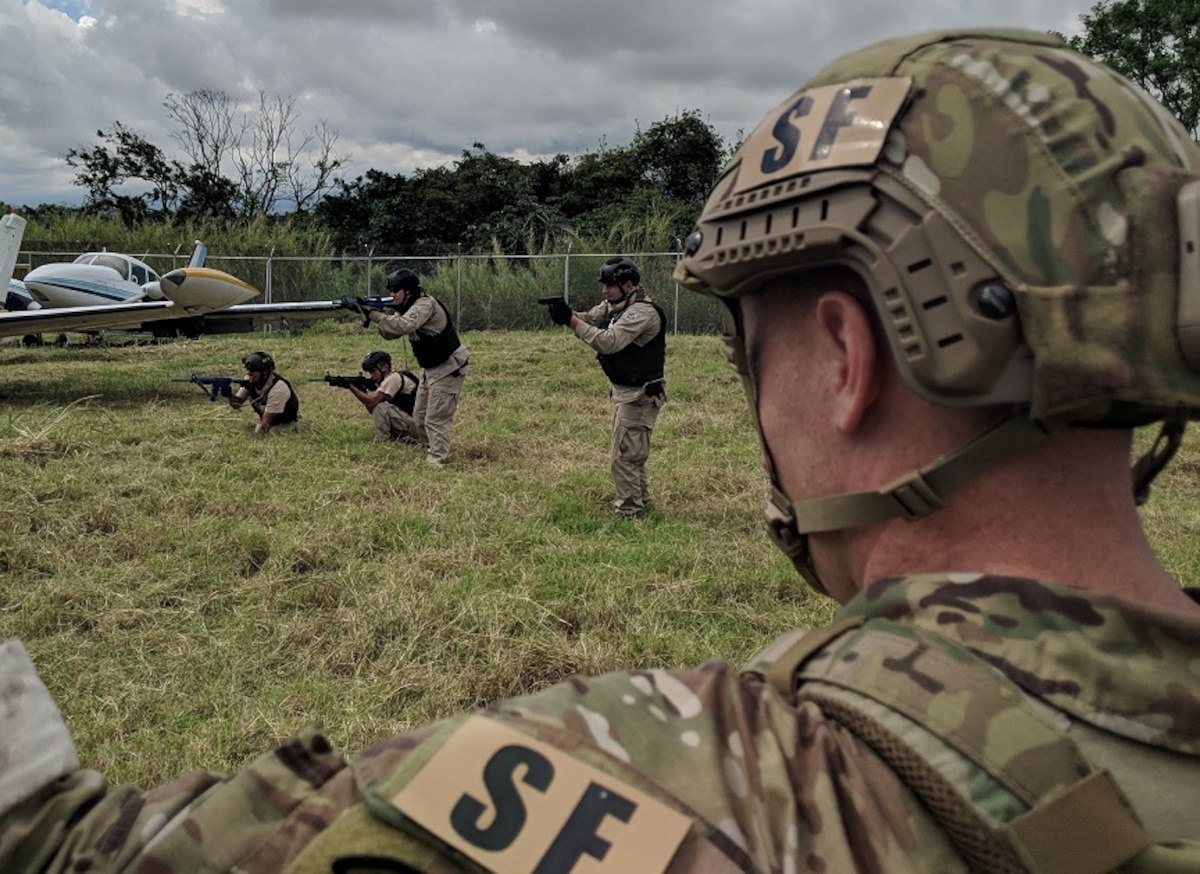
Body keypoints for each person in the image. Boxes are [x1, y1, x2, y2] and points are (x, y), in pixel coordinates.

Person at [4, 28, 1200, 873]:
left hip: (501, 395)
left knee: (569, 450)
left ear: (846, 358)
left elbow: (56, 847)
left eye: (754, 341)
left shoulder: (723, 782)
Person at [546, 257, 666, 518]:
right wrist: (567, 314)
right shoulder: (615, 305)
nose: (604, 291)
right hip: (626, 392)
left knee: (623, 458)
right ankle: (641, 502)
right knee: (632, 453)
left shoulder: (641, 312)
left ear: (628, 285)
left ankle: (630, 512)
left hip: (639, 395)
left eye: (610, 286)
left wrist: (572, 323)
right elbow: (590, 317)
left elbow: (609, 341)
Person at [366, 267, 469, 466]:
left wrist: (375, 315)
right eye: (391, 291)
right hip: (430, 368)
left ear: (409, 289)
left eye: (396, 290)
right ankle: (430, 447)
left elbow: (405, 326)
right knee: (419, 417)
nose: (392, 294)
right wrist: (374, 313)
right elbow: (390, 333)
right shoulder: (407, 308)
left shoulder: (425, 304)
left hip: (448, 366)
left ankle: (438, 459)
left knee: (436, 418)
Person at [350, 349, 421, 443]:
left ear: (385, 367)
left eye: (373, 371)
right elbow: (372, 408)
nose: (371, 376)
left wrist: (352, 388)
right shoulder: (391, 379)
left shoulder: (393, 379)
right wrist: (362, 391)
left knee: (381, 406)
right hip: (417, 425)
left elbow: (373, 402)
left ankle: (382, 440)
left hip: (418, 426)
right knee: (380, 406)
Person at [228, 350, 298, 435]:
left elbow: (265, 425)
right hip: (266, 417)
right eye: (249, 370)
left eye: (253, 371)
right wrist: (229, 394)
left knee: (271, 432)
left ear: (264, 372)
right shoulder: (250, 380)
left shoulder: (278, 389)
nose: (250, 373)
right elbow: (237, 404)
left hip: (283, 422)